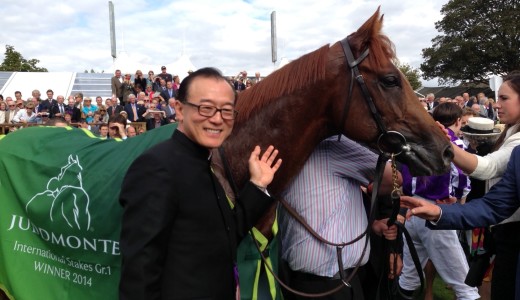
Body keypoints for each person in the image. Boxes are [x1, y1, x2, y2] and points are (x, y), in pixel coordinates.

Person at [119, 67, 282, 299]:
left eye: (226, 111)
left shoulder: (206, 165)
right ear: (179, 110)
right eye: (206, 108)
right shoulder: (156, 167)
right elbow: (140, 272)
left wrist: (257, 185)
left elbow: (225, 234)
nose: (217, 118)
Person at [426, 71, 520, 299]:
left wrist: (445, 144)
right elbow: (494, 205)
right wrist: (439, 212)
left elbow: (486, 168)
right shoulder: (515, 145)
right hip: (505, 232)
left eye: (504, 98)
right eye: (497, 98)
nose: (497, 105)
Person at [278, 136, 401, 300]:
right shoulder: (333, 145)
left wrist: (371, 225)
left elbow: (330, 203)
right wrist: (372, 189)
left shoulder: (286, 143)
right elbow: (394, 179)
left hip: (320, 281)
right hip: (329, 285)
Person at [398, 103, 479, 300]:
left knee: (409, 275)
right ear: (458, 120)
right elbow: (462, 178)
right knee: (465, 283)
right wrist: (458, 199)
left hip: (411, 209)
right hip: (435, 211)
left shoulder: (416, 139)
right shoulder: (453, 143)